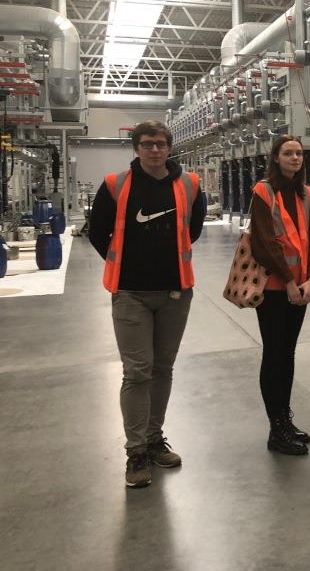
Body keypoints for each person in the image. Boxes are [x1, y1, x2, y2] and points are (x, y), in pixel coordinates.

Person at [88, 120, 205, 488]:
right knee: (137, 370)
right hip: (130, 293)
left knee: (163, 368)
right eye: (147, 143)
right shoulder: (115, 185)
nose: (155, 150)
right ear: (136, 148)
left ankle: (154, 440)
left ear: (169, 147)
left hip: (175, 292)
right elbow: (98, 232)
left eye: (161, 143)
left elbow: (193, 230)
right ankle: (136, 451)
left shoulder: (190, 184)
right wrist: (127, 264)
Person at [249, 135, 310, 456]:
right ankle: (275, 428)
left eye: (299, 153)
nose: (295, 158)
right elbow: (264, 243)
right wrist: (291, 281)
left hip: (300, 286)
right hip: (275, 289)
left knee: (287, 354)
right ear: (276, 158)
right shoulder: (263, 191)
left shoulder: (305, 194)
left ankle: (285, 420)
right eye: (288, 153)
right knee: (274, 354)